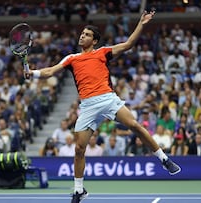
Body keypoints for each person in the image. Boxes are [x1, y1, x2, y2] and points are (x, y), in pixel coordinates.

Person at [26, 10, 181, 203]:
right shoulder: (71, 58)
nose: (82, 36)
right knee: (79, 149)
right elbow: (50, 71)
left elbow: (128, 44)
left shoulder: (103, 52)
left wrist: (141, 23)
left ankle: (164, 159)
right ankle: (78, 190)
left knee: (134, 125)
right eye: (82, 33)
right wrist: (33, 73)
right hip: (88, 105)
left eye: (87, 34)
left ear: (95, 41)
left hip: (108, 99)